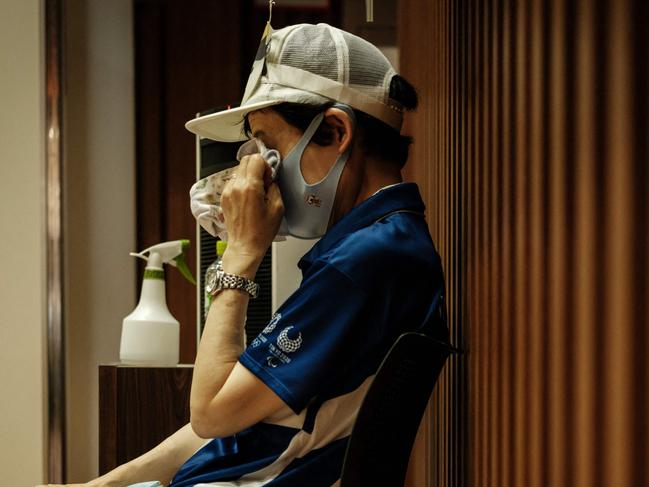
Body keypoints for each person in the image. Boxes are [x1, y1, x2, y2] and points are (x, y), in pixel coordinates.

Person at [41, 22, 448, 487]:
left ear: (336, 132)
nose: (261, 173)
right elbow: (235, 423)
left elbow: (212, 414)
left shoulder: (366, 261)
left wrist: (240, 253)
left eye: (270, 149)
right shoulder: (371, 246)